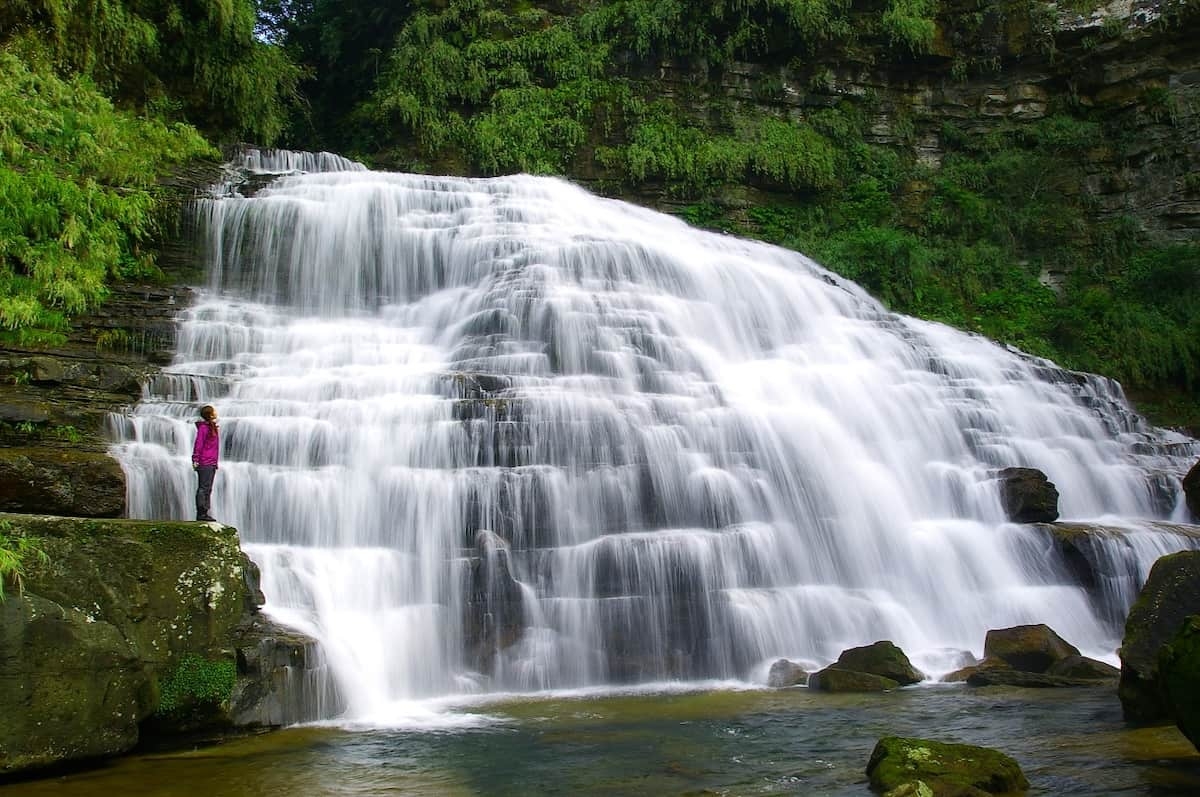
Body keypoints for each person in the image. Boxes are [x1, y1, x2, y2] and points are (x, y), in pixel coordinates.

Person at [192, 404, 220, 521]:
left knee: (208, 488)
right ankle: (201, 512)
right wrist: (195, 459)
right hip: (204, 462)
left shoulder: (212, 427)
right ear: (210, 414)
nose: (216, 412)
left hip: (211, 462)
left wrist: (215, 462)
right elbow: (199, 444)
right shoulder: (204, 428)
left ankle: (205, 511)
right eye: (214, 411)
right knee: (203, 488)